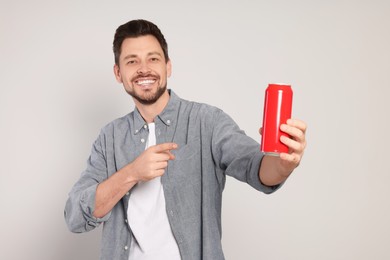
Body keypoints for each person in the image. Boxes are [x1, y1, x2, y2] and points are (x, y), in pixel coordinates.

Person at [64, 19, 307, 260]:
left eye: (153, 58)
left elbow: (257, 168)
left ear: (168, 66)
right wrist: (132, 173)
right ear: (119, 73)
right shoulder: (109, 137)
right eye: (131, 61)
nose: (144, 69)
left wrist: (283, 164)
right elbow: (76, 216)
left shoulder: (207, 121)